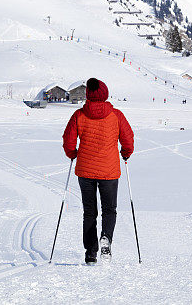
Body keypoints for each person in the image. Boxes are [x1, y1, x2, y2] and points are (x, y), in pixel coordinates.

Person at [63, 78, 134, 265]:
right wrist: (125, 154)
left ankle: (90, 252)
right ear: (105, 93)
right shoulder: (116, 115)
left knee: (89, 211)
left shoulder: (78, 115)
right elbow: (128, 139)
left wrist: (72, 153)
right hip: (109, 171)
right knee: (109, 210)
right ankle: (106, 238)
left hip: (85, 170)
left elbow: (68, 140)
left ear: (88, 95)